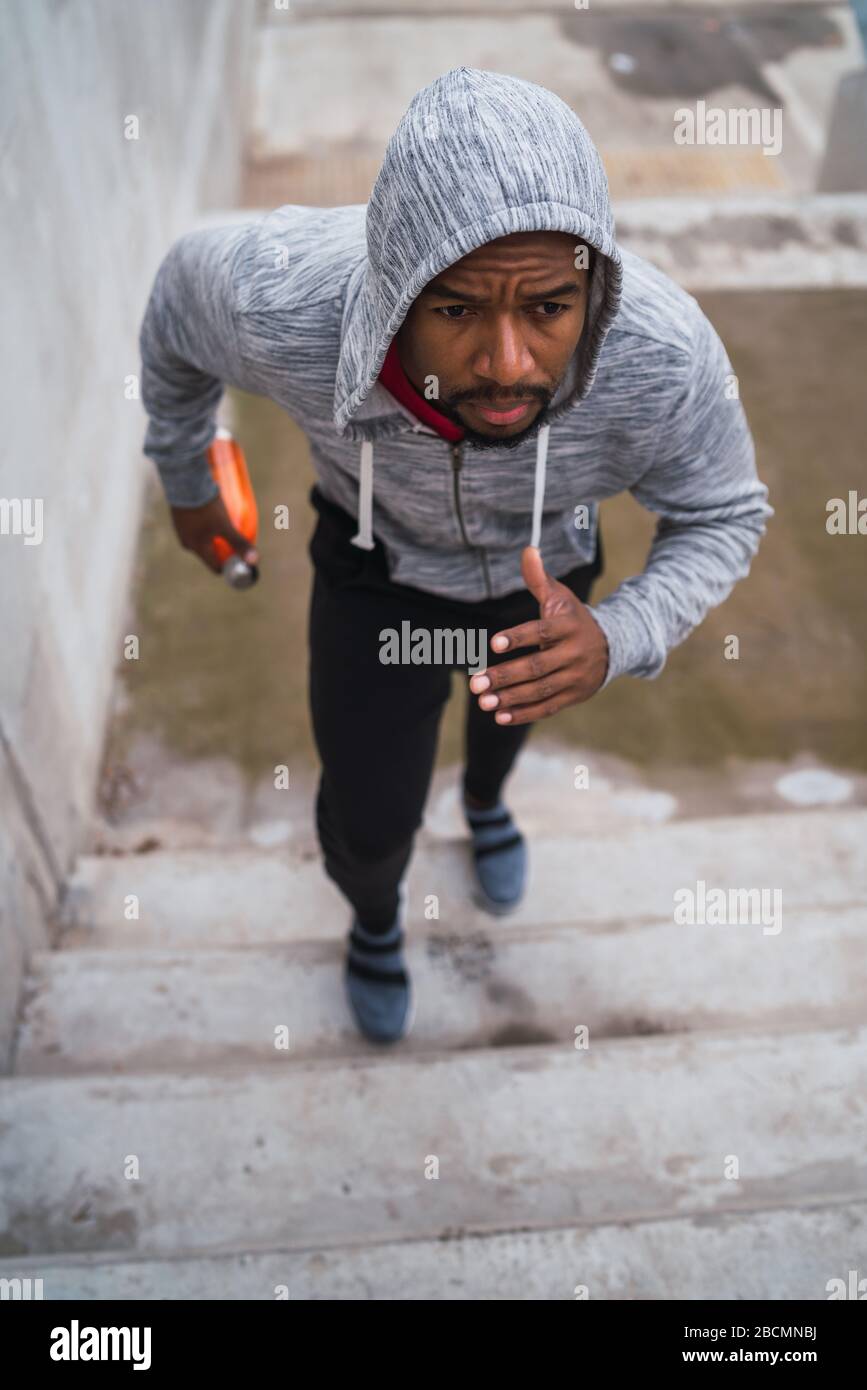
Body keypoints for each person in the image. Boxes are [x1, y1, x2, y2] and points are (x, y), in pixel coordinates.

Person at [138, 67, 772, 1044]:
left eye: (549, 309)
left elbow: (725, 509)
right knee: (371, 812)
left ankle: (485, 804)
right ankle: (378, 918)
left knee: (505, 727)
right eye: (460, 310)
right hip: (376, 577)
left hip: (547, 581)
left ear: (591, 287)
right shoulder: (285, 300)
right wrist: (186, 478)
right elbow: (177, 308)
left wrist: (619, 631)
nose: (509, 362)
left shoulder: (659, 351)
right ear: (395, 294)